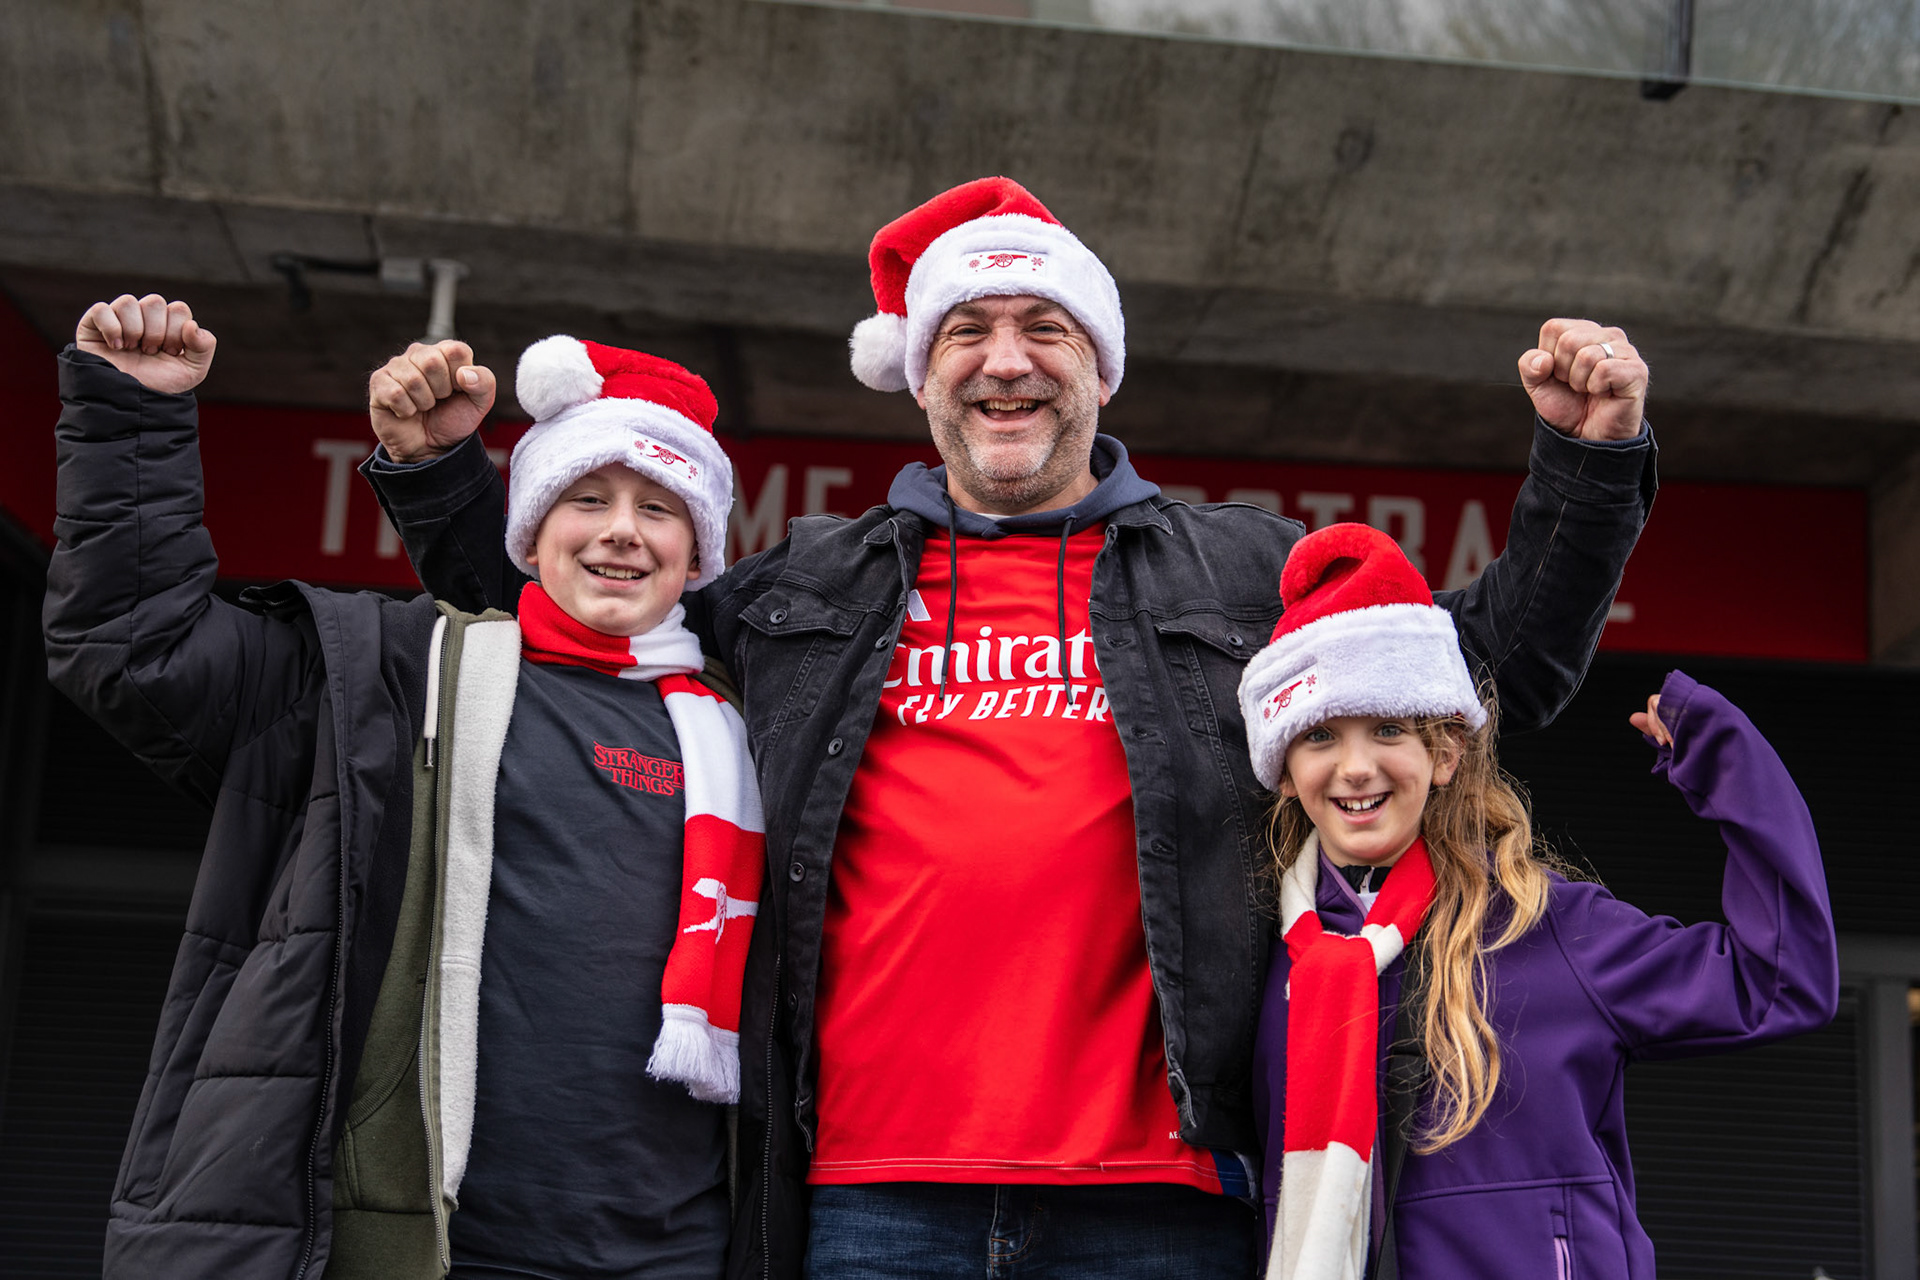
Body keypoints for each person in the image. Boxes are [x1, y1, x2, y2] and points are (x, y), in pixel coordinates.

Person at [360, 176, 1660, 1279]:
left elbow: (1486, 676)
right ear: (922, 372)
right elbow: (589, 633)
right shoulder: (810, 584)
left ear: (1097, 364)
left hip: (1163, 1196)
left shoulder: (1238, 574)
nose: (1006, 357)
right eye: (967, 328)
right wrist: (440, 484)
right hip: (870, 1198)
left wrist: (1587, 466)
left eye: (1045, 325)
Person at [43, 297, 767, 1280]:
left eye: (660, 506)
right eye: (586, 497)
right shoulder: (399, 675)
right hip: (440, 1243)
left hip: (684, 1249)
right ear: (532, 527)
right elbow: (139, 656)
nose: (622, 533)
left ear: (699, 549)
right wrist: (134, 414)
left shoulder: (754, 727)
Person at [1237, 522, 1838, 1280]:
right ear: (1283, 769)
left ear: (1446, 754)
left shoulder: (1548, 925)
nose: (1356, 767)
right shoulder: (1263, 951)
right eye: (1319, 736)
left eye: (1389, 727)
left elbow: (1781, 981)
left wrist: (1726, 765)